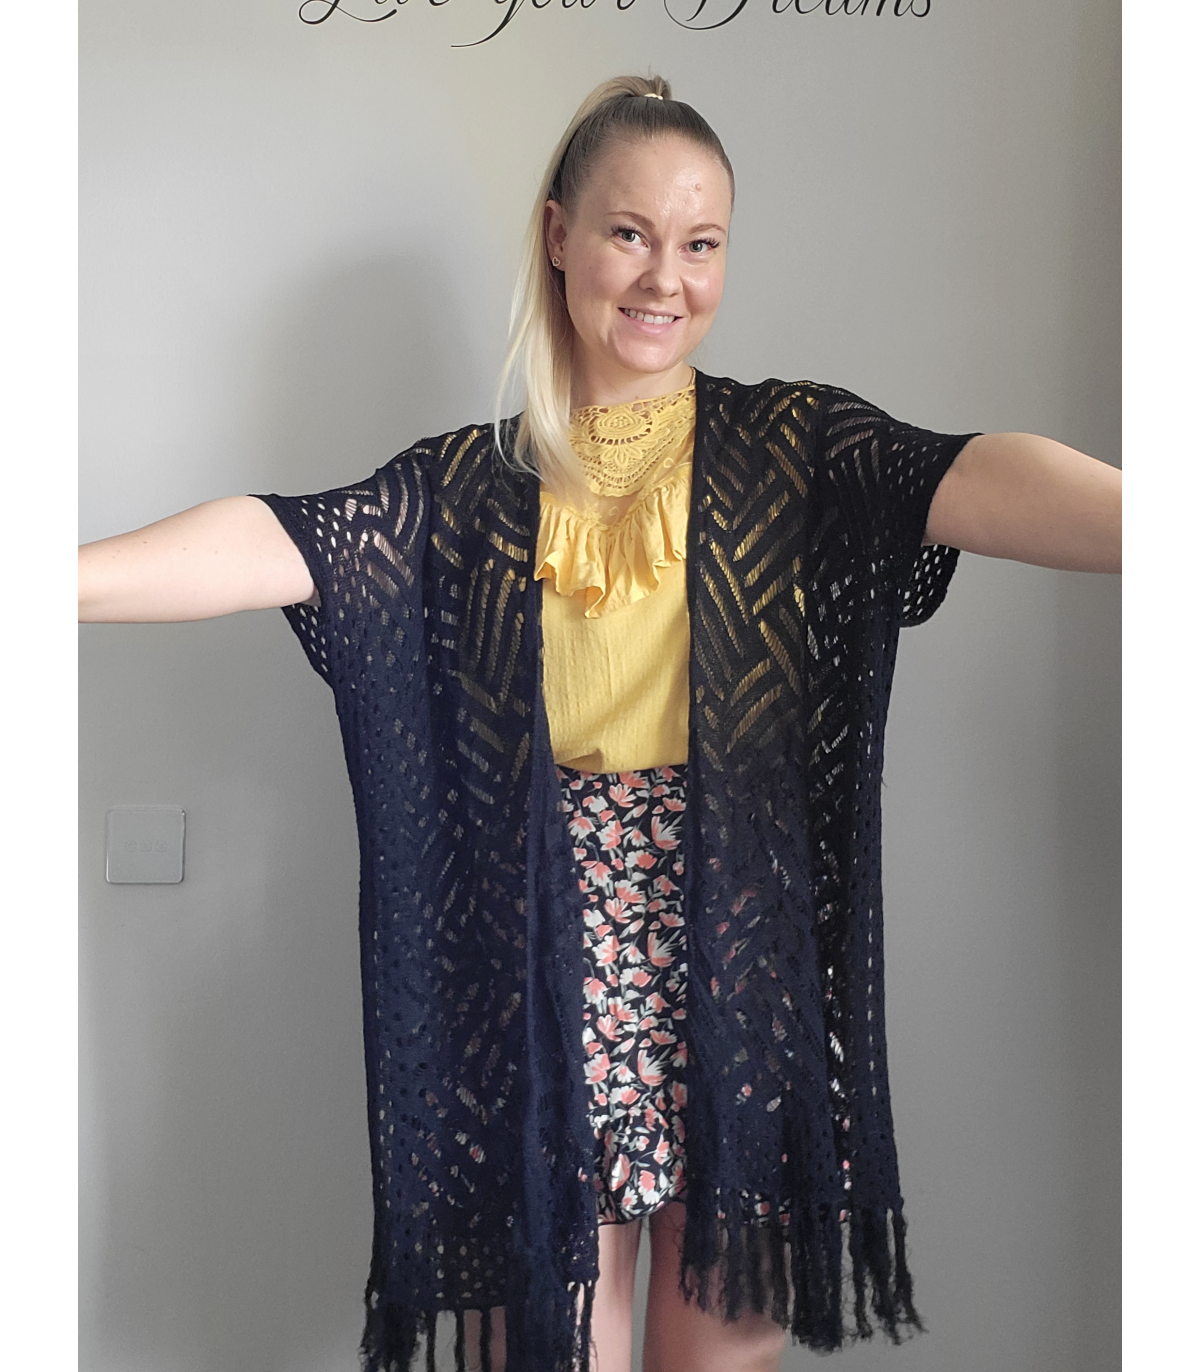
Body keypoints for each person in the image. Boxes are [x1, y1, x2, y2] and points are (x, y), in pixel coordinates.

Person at [79, 74, 1120, 1372]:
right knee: (556, 1341)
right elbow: (283, 540)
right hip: (540, 945)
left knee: (721, 1345)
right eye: (631, 233)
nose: (666, 278)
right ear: (559, 234)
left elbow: (970, 472)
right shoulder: (466, 486)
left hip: (737, 945)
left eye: (702, 243)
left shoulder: (790, 446)